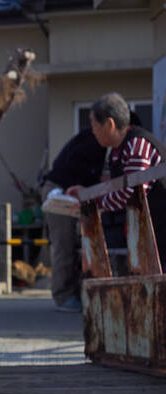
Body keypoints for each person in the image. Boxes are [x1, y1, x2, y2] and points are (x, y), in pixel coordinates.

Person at [67, 93, 166, 270]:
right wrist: (85, 194)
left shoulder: (136, 145)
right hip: (151, 234)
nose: (93, 130)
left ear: (110, 124)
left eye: (94, 124)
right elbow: (114, 188)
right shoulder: (116, 152)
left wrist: (90, 201)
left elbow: (131, 194)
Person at [40, 129, 106, 312]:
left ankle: (73, 293)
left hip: (68, 192)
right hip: (59, 193)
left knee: (74, 245)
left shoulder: (91, 139)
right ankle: (63, 296)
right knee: (64, 245)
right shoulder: (92, 141)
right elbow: (77, 168)